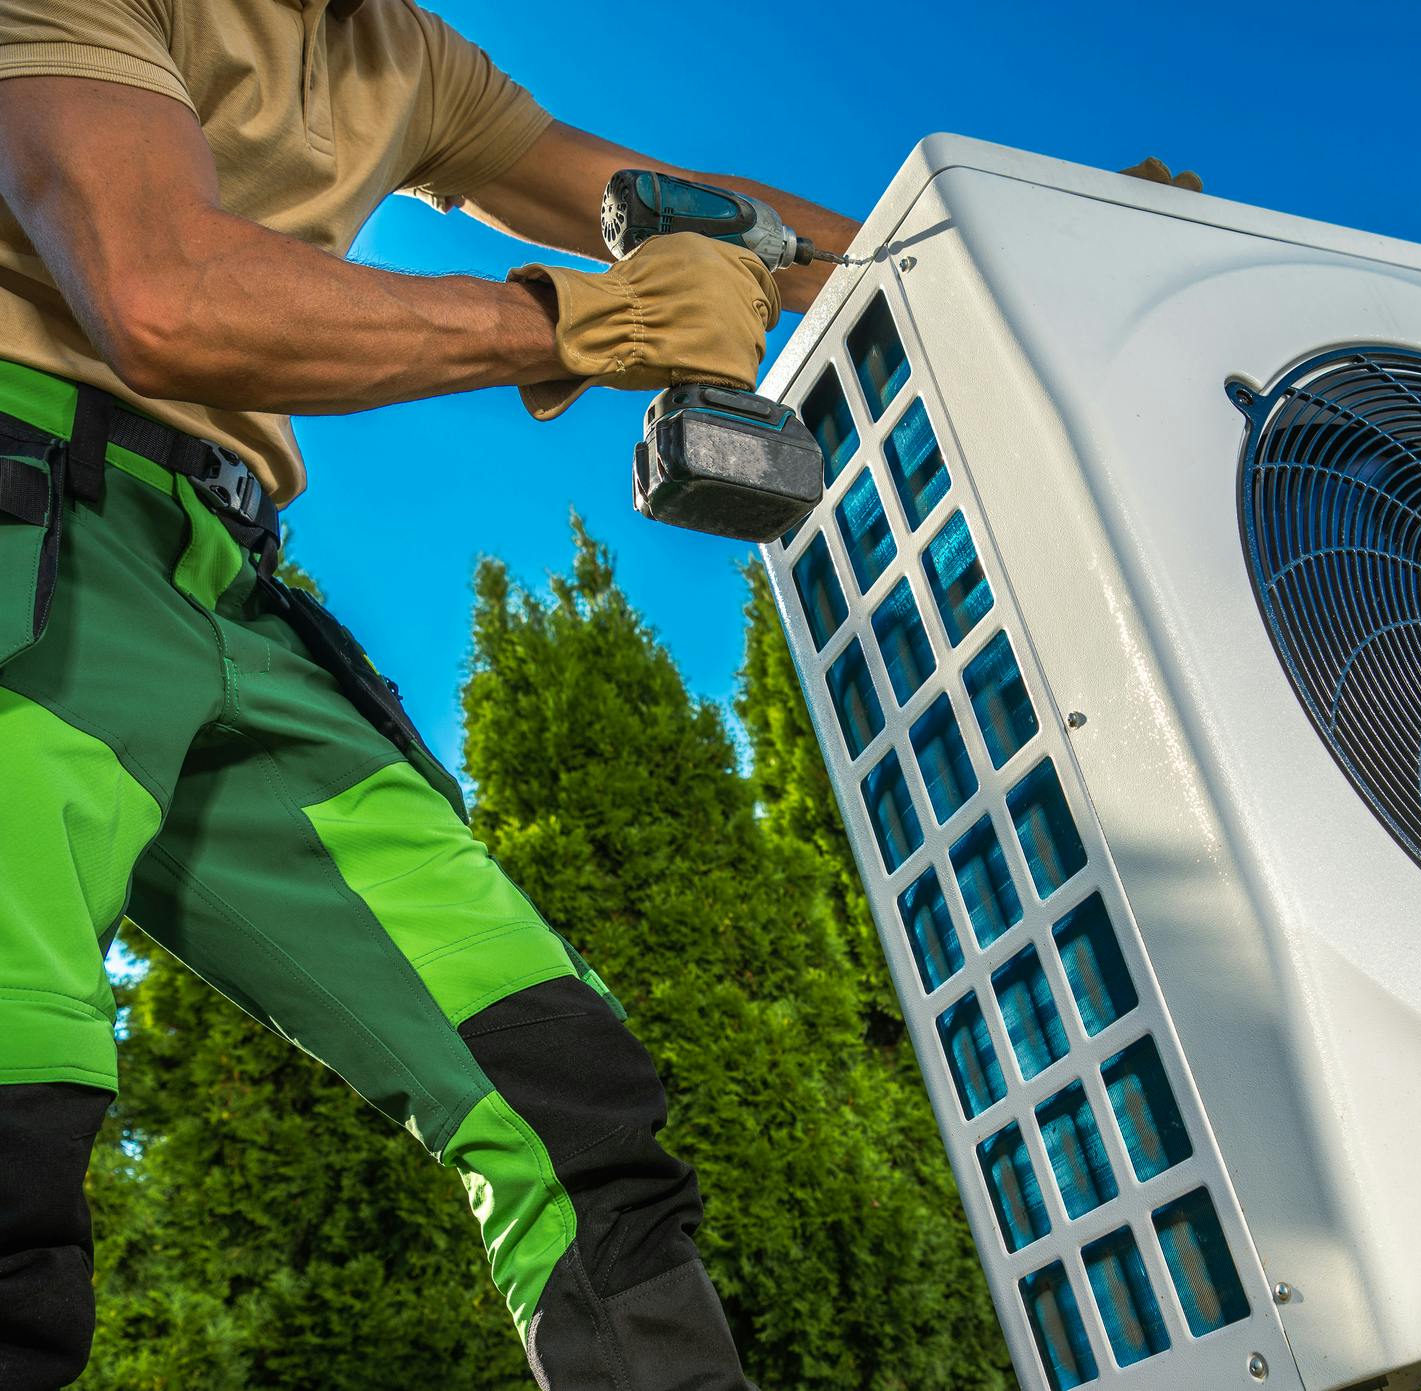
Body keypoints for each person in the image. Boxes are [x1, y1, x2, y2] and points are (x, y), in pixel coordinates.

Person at [0, 2, 854, 1388]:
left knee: (557, 1087)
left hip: (227, 578)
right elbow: (159, 294)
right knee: (14, 1073)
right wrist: (577, 321)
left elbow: (719, 219)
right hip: (24, 507)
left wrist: (1008, 237)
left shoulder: (403, 54)